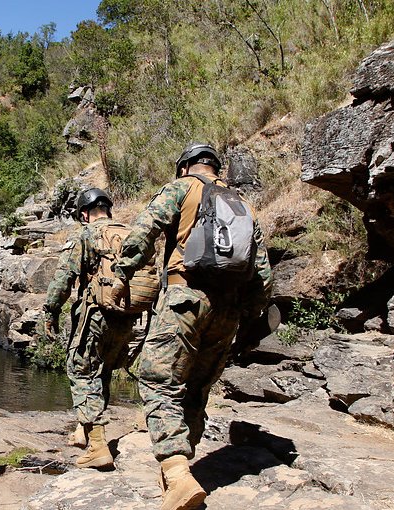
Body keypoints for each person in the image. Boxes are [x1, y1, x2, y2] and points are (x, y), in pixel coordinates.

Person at [111, 143, 273, 510]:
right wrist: (247, 317)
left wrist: (122, 272)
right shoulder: (241, 203)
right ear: (216, 168)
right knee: (197, 388)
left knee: (158, 381)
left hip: (186, 297)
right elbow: (262, 271)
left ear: (184, 167)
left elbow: (143, 231)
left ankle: (176, 471)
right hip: (227, 310)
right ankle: (182, 472)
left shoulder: (181, 188)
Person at [43, 187, 137, 470]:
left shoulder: (87, 234)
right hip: (127, 317)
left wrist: (50, 311)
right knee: (103, 370)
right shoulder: (131, 232)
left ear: (84, 214)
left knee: (80, 370)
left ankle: (98, 445)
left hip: (95, 314)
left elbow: (64, 278)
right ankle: (84, 431)